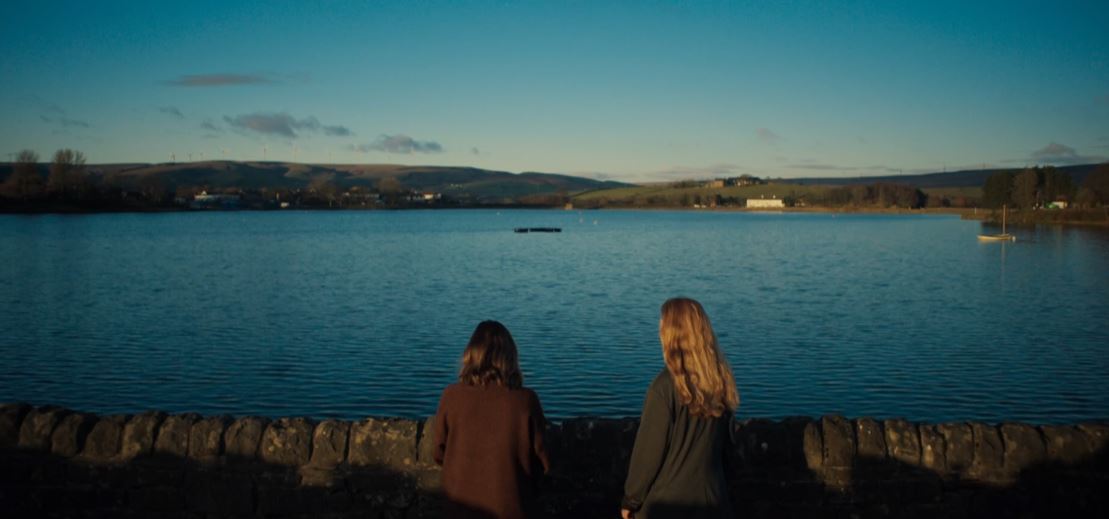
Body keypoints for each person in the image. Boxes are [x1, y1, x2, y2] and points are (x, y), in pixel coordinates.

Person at [620, 297, 739, 519]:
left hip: (667, 505)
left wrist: (631, 499)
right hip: (713, 502)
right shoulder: (720, 381)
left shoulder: (664, 387)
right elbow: (727, 452)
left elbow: (648, 454)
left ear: (672, 334)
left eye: (662, 326)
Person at [434, 320, 550, 519]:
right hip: (512, 509)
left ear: (470, 355)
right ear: (510, 357)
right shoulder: (525, 400)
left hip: (459, 509)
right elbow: (542, 461)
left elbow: (437, 452)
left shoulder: (451, 396)